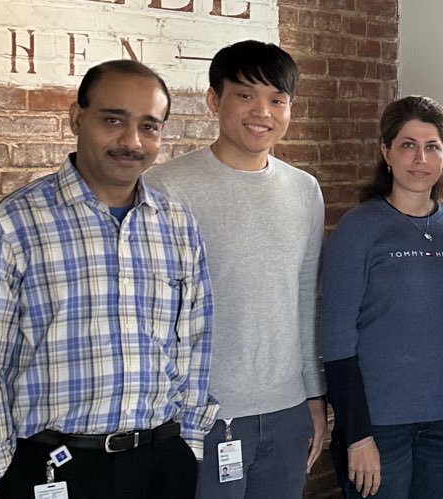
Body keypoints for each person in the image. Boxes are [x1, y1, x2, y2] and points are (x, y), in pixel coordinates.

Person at [0, 59, 214, 498]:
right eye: (113, 120)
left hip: (161, 464)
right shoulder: (9, 226)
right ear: (77, 118)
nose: (132, 141)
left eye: (149, 126)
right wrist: (4, 476)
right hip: (54, 468)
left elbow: (195, 344)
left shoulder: (178, 225)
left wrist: (187, 444)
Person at [142, 40, 327, 498]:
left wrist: (314, 395)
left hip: (287, 411)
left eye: (277, 100)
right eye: (245, 95)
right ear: (213, 100)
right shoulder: (166, 187)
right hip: (197, 415)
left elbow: (305, 300)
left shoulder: (304, 190)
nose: (262, 111)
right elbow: (147, 314)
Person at [320, 95, 443, 499]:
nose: (420, 158)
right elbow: (336, 338)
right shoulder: (358, 228)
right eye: (408, 145)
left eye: (432, 146)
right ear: (386, 152)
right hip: (379, 427)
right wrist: (357, 434)